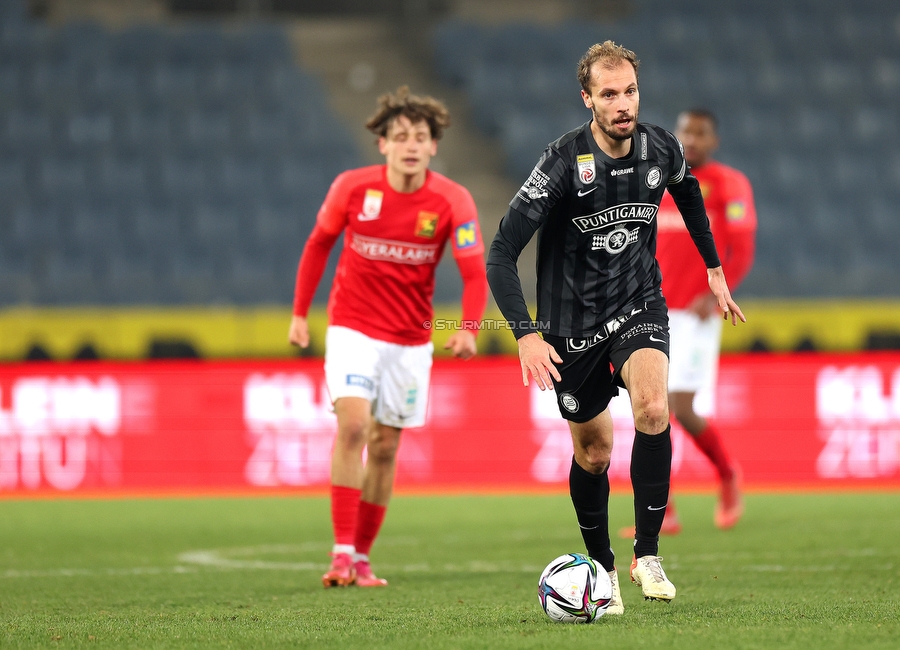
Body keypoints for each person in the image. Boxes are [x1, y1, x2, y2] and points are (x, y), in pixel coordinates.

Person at [486, 42, 745, 614]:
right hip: (570, 324)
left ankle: (647, 554)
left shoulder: (661, 147)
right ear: (588, 99)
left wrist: (714, 268)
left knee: (655, 408)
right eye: (609, 94)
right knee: (596, 453)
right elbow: (501, 251)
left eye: (629, 91)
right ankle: (600, 568)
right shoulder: (560, 163)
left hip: (638, 302)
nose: (623, 104)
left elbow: (688, 192)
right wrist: (527, 334)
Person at [289, 86, 489, 588]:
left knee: (384, 446)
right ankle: (338, 553)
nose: (410, 145)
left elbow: (473, 273)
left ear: (434, 145)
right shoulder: (351, 189)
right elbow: (318, 246)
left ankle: (360, 557)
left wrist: (468, 329)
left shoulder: (452, 200)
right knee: (353, 426)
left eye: (420, 137)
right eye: (400, 137)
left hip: (410, 339)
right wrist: (298, 315)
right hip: (353, 326)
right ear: (382, 144)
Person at [653, 109, 757, 535]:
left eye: (700, 133)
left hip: (695, 314)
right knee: (649, 409)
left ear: (713, 140)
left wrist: (715, 293)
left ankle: (728, 473)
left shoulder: (729, 184)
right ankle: (662, 509)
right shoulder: (655, 180)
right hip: (649, 310)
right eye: (685, 132)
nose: (691, 139)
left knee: (680, 407)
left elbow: (742, 248)